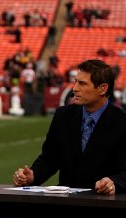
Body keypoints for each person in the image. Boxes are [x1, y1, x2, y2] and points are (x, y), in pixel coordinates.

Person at [13, 59, 126, 195]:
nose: (75, 88)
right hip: (66, 204)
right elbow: (50, 158)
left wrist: (113, 182)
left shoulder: (121, 122)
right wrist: (33, 175)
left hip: (103, 204)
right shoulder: (63, 115)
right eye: (76, 82)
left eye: (82, 84)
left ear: (103, 88)